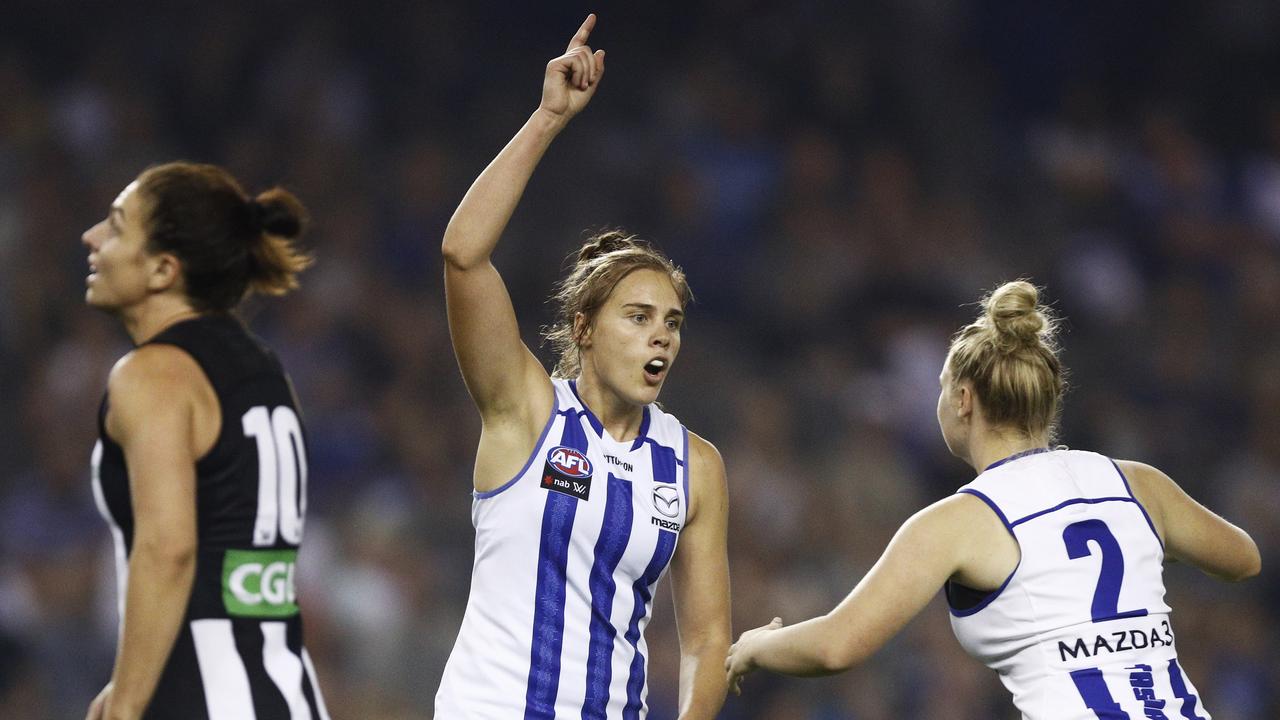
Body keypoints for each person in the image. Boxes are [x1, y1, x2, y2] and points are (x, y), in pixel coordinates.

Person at [725, 280, 1261, 719]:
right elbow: (1244, 558)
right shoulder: (1136, 483)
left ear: (963, 400)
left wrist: (754, 646)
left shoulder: (958, 521)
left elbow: (836, 646)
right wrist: (1142, 544)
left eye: (939, 388)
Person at [434, 14, 731, 719]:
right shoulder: (526, 411)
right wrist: (546, 120)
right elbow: (462, 254)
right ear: (583, 329)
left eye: (672, 323)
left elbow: (708, 637)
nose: (660, 338)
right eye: (637, 317)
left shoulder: (696, 467)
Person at [82, 162, 329, 720]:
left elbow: (168, 549)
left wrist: (126, 704)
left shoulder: (153, 373)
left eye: (118, 227)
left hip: (198, 697)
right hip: (287, 694)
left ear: (164, 269)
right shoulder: (263, 367)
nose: (93, 237)